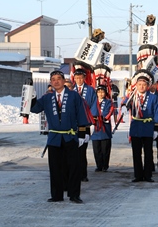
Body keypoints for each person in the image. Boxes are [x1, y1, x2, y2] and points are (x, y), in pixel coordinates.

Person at [30, 70, 91, 204]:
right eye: (53, 79)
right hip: (54, 138)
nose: (56, 81)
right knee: (55, 167)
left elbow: (81, 114)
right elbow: (34, 109)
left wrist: (82, 133)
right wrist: (32, 95)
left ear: (64, 81)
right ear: (51, 83)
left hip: (70, 137)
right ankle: (56, 195)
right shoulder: (47, 98)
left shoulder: (74, 96)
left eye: (59, 78)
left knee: (74, 167)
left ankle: (74, 194)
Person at [122, 72, 158, 182]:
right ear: (136, 85)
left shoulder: (153, 98)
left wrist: (156, 128)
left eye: (144, 85)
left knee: (148, 153)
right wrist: (124, 107)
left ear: (147, 86)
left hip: (148, 127)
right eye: (139, 84)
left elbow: (157, 113)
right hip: (136, 127)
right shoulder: (132, 96)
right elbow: (124, 104)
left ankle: (148, 175)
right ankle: (138, 175)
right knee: (136, 153)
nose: (141, 87)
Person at [73, 68, 97, 182]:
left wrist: (91, 123)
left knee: (82, 151)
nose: (78, 80)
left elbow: (94, 106)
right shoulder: (70, 89)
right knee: (73, 152)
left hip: (84, 124)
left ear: (84, 78)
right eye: (76, 78)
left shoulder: (90, 90)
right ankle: (73, 174)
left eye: (81, 78)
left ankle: (83, 174)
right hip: (72, 125)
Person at [90, 85, 114, 172]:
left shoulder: (108, 102)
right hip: (95, 127)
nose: (100, 94)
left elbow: (110, 111)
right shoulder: (93, 101)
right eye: (99, 92)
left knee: (105, 149)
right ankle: (99, 165)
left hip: (104, 127)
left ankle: (105, 165)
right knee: (96, 149)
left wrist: (103, 118)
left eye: (102, 92)